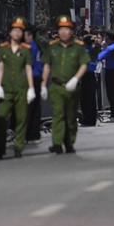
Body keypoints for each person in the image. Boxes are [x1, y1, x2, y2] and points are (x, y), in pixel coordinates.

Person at [42, 15, 90, 154]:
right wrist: (43, 84)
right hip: (56, 86)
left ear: (71, 31)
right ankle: (57, 143)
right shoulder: (52, 47)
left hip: (72, 87)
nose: (64, 32)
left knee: (70, 116)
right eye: (61, 29)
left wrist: (75, 79)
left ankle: (69, 142)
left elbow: (83, 65)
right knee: (57, 115)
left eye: (66, 29)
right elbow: (47, 65)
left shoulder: (78, 47)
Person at [0, 17, 35, 159]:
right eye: (15, 30)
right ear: (10, 32)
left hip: (21, 87)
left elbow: (28, 69)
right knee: (1, 116)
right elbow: (0, 67)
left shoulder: (26, 50)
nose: (17, 33)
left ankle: (18, 146)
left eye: (20, 31)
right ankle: (0, 147)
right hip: (6, 88)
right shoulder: (3, 49)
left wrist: (31, 88)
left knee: (21, 118)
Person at [24, 25, 44, 144]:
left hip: (30, 77)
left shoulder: (29, 47)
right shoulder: (37, 46)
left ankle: (29, 134)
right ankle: (34, 133)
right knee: (35, 106)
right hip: (37, 77)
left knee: (29, 107)